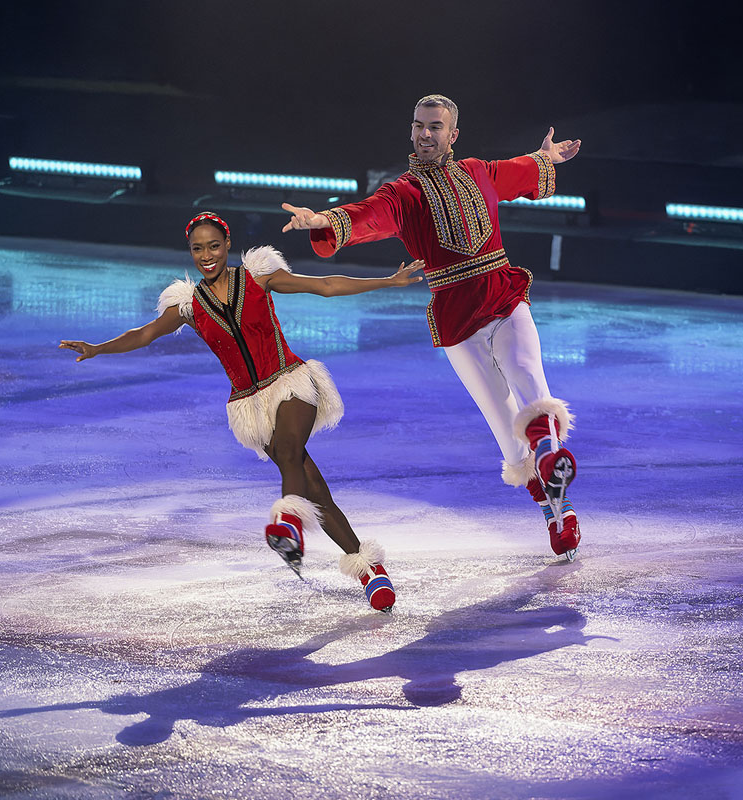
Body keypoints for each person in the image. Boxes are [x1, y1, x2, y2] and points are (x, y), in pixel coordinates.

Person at [60, 211, 424, 610]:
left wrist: (387, 281)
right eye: (197, 248)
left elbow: (324, 285)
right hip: (251, 404)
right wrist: (98, 348)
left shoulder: (257, 276)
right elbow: (144, 334)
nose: (206, 255)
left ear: (227, 244)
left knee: (288, 451)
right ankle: (370, 568)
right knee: (313, 487)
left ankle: (287, 523)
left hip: (292, 381)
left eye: (213, 245)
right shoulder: (190, 304)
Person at [281, 94, 583, 561]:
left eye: (435, 126)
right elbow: (366, 216)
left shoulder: (480, 171)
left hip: (502, 294)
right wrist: (321, 220)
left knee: (528, 376)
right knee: (505, 430)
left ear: (453, 135)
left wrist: (545, 157)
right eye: (419, 125)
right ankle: (552, 506)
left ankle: (551, 460)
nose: (425, 133)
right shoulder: (402, 194)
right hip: (457, 318)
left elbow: (522, 172)